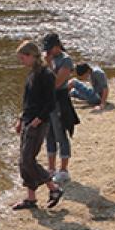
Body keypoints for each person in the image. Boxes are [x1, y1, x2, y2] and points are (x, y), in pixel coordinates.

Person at [12, 40, 63, 210]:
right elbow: (27, 102)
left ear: (31, 56)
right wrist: (21, 118)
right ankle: (31, 198)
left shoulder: (46, 75)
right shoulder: (31, 74)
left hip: (38, 123)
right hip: (28, 120)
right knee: (23, 161)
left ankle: (53, 188)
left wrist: (38, 119)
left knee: (28, 159)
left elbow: (50, 102)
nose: (21, 62)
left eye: (22, 58)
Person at [42, 32, 79, 184]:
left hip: (60, 100)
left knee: (60, 134)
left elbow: (55, 83)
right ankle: (51, 168)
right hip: (47, 101)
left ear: (57, 47)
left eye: (51, 49)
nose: (48, 52)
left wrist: (49, 65)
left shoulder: (65, 60)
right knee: (48, 134)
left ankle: (63, 170)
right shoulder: (47, 58)